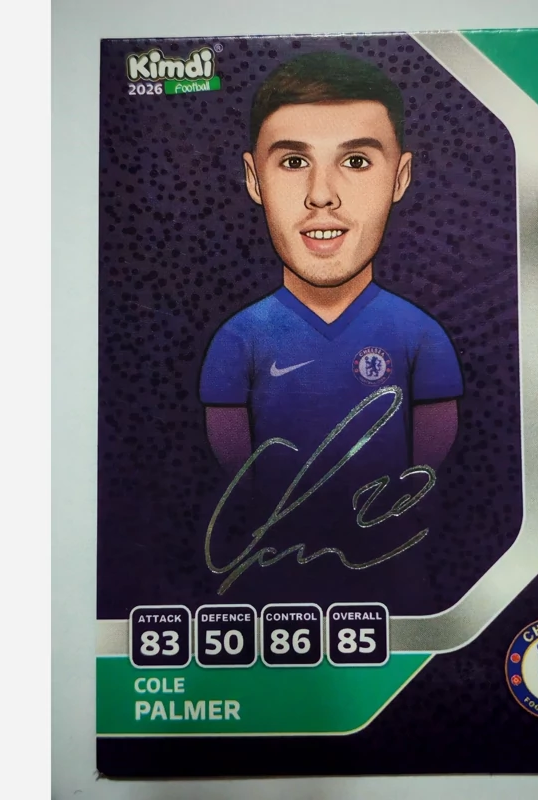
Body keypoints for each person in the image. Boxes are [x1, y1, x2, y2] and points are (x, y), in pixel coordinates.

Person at [199, 52, 464, 609]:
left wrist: (389, 508)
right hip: (269, 571)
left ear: (400, 176)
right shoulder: (240, 339)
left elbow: (432, 452)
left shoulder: (419, 336)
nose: (322, 194)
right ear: (254, 178)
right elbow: (232, 459)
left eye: (357, 161)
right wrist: (280, 511)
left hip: (392, 566)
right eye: (294, 161)